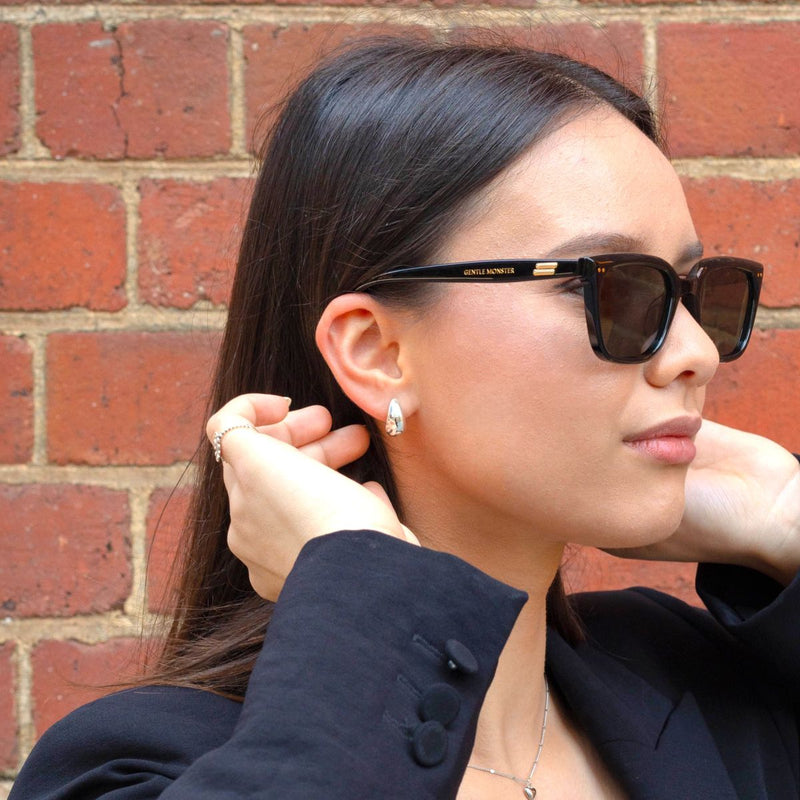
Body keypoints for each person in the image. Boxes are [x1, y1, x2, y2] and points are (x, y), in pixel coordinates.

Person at [10, 36, 800, 800]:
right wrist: (362, 585)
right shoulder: (138, 769)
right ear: (378, 351)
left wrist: (782, 518)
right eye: (613, 287)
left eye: (696, 289)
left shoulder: (706, 691)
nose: (696, 349)